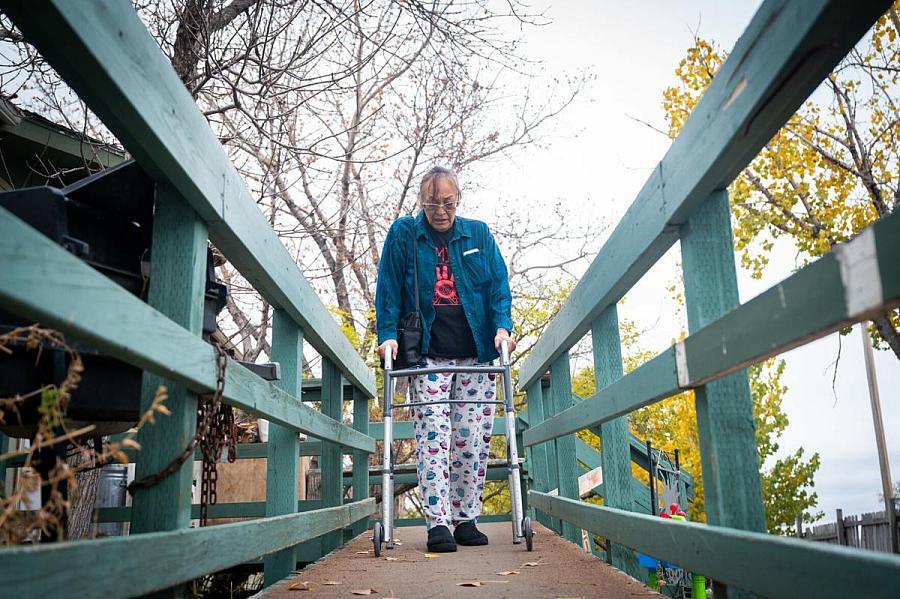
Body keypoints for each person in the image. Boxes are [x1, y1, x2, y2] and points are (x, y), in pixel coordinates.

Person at [375, 166, 516, 553]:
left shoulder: (478, 234)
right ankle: (438, 523)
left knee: (471, 440)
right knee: (434, 439)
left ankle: (466, 518)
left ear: (459, 199)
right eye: (433, 202)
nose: (441, 210)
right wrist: (386, 336)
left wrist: (503, 327)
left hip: (476, 354)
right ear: (422, 201)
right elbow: (387, 287)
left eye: (448, 202)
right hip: (427, 357)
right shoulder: (405, 233)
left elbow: (499, 288)